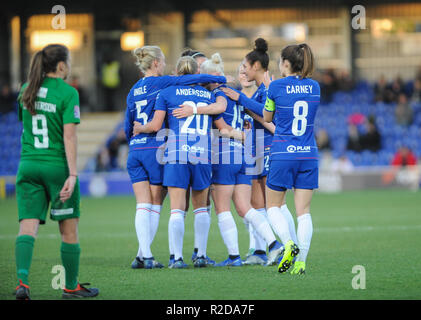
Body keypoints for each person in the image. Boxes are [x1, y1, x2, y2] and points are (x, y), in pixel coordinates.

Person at [125, 46, 226, 269]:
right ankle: (200, 255)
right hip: (201, 153)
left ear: (178, 74)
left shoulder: (164, 92)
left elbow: (152, 125)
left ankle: (174, 258)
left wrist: (137, 133)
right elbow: (221, 117)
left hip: (173, 152)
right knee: (201, 208)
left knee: (174, 208)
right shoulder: (208, 95)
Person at [14, 44, 99, 299]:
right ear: (61, 65)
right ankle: (70, 287)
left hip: (28, 165)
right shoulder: (68, 92)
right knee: (68, 230)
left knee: (27, 227)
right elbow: (69, 138)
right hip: (56, 168)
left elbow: (24, 127)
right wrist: (72, 175)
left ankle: (22, 283)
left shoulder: (25, 89)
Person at [189, 53, 284, 267]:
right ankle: (274, 244)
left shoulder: (217, 94)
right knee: (245, 208)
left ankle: (234, 257)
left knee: (222, 208)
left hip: (223, 154)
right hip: (243, 156)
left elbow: (222, 126)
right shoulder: (235, 93)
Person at [221, 38, 297, 260]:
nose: (242, 71)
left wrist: (243, 100)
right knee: (258, 204)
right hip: (255, 150)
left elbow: (271, 123)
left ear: (255, 66)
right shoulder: (259, 92)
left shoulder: (270, 89)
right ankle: (261, 250)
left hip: (269, 149)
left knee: (277, 203)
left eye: (245, 67)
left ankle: (293, 246)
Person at [263, 43, 320, 275]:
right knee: (303, 212)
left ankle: (288, 244)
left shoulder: (275, 86)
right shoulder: (315, 86)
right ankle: (301, 263)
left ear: (286, 63)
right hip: (308, 154)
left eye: (280, 60)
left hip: (283, 152)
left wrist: (270, 90)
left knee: (273, 206)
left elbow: (268, 116)